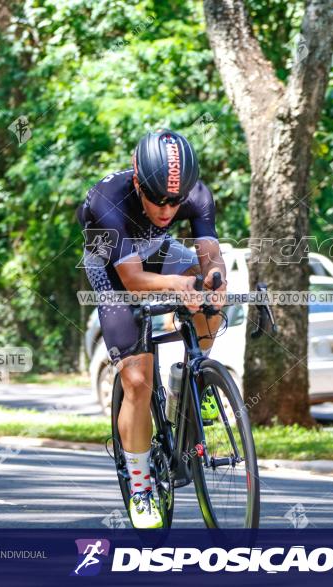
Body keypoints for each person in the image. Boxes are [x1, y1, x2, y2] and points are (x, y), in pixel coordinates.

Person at [77, 129, 227, 528]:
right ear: (139, 181)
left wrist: (211, 280)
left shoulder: (196, 194)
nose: (166, 210)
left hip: (155, 254)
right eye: (157, 199)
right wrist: (180, 285)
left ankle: (191, 376)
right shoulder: (108, 200)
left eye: (174, 202)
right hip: (113, 270)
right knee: (138, 380)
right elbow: (132, 280)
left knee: (213, 292)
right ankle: (141, 487)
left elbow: (211, 258)